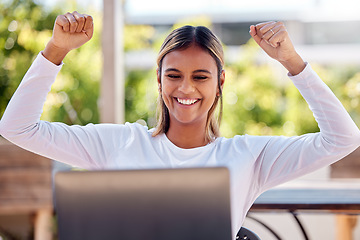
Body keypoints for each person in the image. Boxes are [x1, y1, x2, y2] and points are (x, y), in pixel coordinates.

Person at [0, 11, 359, 239]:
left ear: (220, 83)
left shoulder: (250, 155)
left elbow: (343, 139)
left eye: (200, 76)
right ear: (159, 80)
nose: (185, 89)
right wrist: (55, 51)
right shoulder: (118, 142)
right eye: (173, 75)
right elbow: (17, 127)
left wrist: (291, 61)